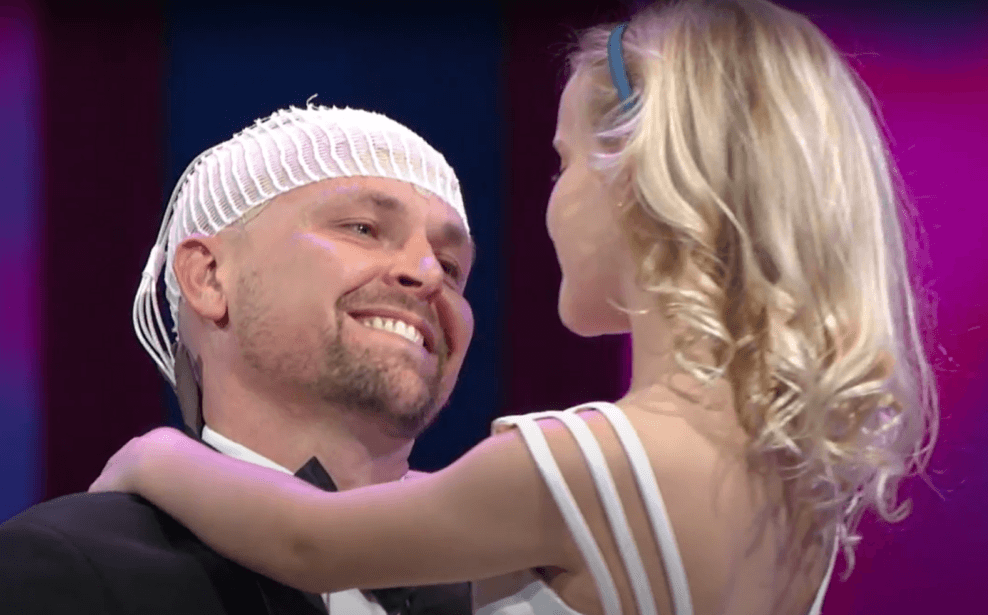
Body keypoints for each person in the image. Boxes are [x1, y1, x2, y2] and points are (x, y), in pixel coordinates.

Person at [87, 1, 940, 614]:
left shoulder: (579, 463)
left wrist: (151, 455)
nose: (426, 276)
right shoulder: (791, 499)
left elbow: (311, 540)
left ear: (642, 183)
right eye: (362, 228)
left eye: (563, 162)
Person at [0, 104, 477, 615]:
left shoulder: (510, 580)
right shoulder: (70, 567)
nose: (429, 273)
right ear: (208, 278)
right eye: (362, 228)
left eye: (451, 266)